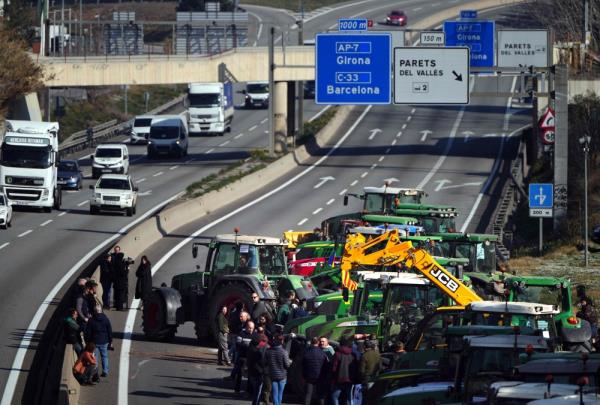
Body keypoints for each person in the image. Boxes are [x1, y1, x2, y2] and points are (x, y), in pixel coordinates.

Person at [85, 305, 113, 377]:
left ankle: (95, 372)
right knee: (104, 356)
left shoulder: (91, 320)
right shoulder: (106, 319)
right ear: (101, 311)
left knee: (95, 357)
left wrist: (87, 341)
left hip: (94, 341)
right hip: (104, 340)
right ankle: (105, 371)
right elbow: (109, 330)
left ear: (94, 311)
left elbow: (88, 332)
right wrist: (110, 341)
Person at [264, 334, 292, 405]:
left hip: (272, 375)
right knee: (280, 394)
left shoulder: (268, 351)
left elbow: (265, 363)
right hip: (282, 376)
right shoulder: (284, 352)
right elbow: (287, 365)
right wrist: (289, 362)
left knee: (274, 394)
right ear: (282, 341)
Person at [331, 336, 358, 405]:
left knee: (334, 396)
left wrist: (333, 378)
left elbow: (334, 368)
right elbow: (355, 367)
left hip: (339, 380)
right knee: (348, 397)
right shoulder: (353, 354)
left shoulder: (337, 354)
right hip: (350, 379)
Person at [231, 318, 256, 393]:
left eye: (252, 328)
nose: (251, 330)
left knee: (250, 375)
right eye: (249, 328)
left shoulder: (255, 335)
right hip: (242, 357)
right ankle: (237, 388)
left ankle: (248, 390)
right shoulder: (241, 333)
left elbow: (258, 344)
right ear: (247, 327)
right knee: (239, 373)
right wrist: (249, 347)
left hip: (251, 358)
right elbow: (238, 344)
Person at [303, 337, 328, 405]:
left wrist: (304, 376)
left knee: (308, 394)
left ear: (311, 343)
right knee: (321, 395)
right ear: (318, 343)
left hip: (309, 377)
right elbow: (325, 366)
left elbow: (303, 366)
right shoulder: (322, 353)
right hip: (320, 377)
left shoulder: (306, 352)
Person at [247, 334, 268, 405]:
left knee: (256, 391)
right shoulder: (257, 349)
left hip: (252, 372)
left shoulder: (251, 346)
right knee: (258, 392)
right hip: (258, 372)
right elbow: (262, 360)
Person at [112, 246, 129, 311]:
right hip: (121, 282)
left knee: (117, 294)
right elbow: (123, 273)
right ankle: (120, 307)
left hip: (116, 282)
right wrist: (127, 269)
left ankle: (117, 306)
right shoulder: (121, 264)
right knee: (121, 295)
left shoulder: (115, 263)